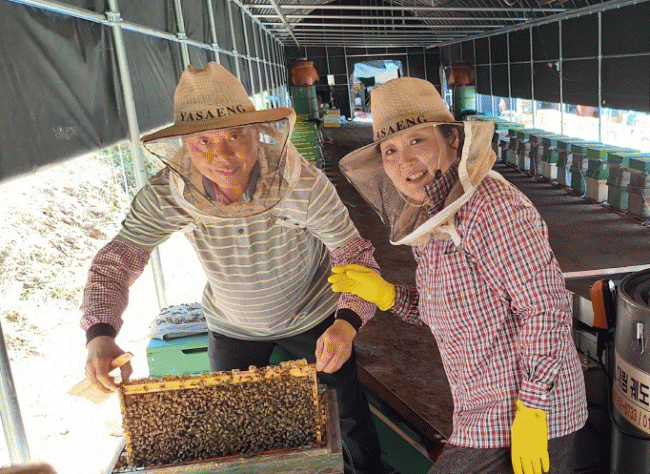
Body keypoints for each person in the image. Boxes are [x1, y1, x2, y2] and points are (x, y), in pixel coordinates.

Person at [80, 62, 387, 474]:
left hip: (314, 316)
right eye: (203, 141)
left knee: (347, 413)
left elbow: (354, 256)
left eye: (235, 136)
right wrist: (100, 336)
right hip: (233, 325)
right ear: (185, 144)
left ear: (257, 133)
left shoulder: (302, 183)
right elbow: (116, 263)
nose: (222, 156)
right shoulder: (166, 195)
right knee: (233, 428)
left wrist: (346, 323)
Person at [329, 77, 588, 474]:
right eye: (390, 150)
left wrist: (534, 409)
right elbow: (450, 309)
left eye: (417, 140)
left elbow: (545, 309)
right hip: (478, 407)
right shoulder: (430, 217)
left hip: (525, 413)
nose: (404, 161)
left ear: (452, 139)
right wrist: (388, 295)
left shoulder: (493, 208)